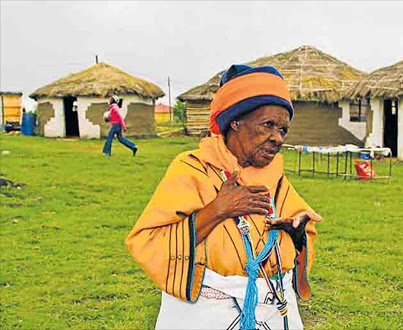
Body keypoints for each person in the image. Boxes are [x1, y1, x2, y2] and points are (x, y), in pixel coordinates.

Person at [126, 65, 322, 330]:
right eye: (268, 126)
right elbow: (148, 241)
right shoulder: (193, 169)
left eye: (283, 130)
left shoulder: (275, 177)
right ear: (235, 121)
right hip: (206, 314)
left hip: (274, 308)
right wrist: (218, 209)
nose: (277, 138)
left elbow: (300, 238)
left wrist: (296, 233)